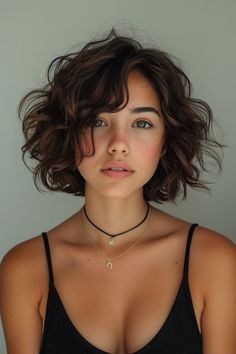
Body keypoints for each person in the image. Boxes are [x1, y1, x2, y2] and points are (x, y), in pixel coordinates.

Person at [0, 28, 235, 354]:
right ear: (69, 132)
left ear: (165, 141)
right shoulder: (25, 269)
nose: (119, 145)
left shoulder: (216, 261)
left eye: (142, 123)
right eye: (97, 121)